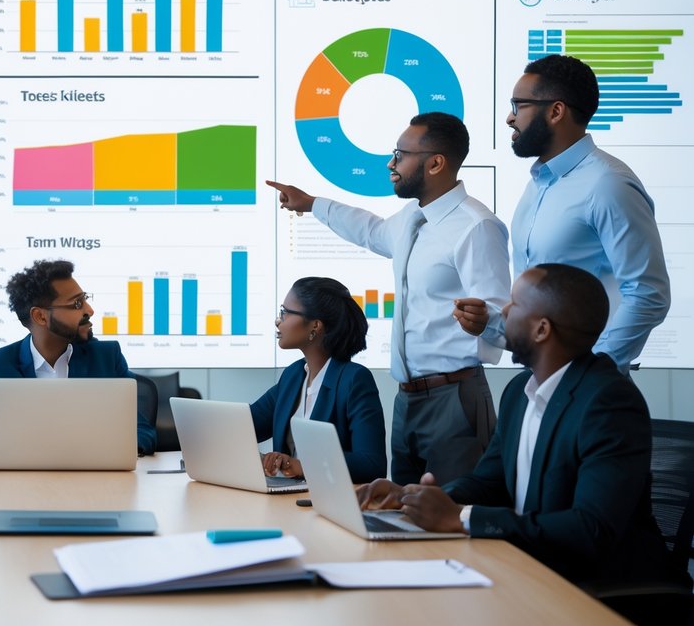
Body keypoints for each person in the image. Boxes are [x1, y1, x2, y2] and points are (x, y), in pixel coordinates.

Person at [358, 264, 683, 591]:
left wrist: (460, 518)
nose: (505, 311)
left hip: (600, 585)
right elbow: (489, 482)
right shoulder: (519, 392)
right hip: (526, 564)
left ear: (542, 329)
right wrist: (418, 498)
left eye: (515, 303)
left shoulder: (609, 403)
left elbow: (590, 530)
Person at [267, 112, 509, 485]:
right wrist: (312, 204)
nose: (390, 163)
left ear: (435, 163)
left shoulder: (476, 227)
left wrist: (486, 320)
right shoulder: (415, 216)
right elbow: (373, 231)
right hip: (407, 400)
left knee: (449, 520)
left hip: (454, 399)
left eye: (400, 154)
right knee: (402, 516)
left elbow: (503, 319)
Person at [454, 54, 670, 373]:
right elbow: (540, 311)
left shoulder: (608, 184)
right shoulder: (538, 186)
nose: (509, 119)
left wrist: (591, 372)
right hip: (537, 380)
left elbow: (648, 293)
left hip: (587, 394)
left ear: (556, 111)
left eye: (518, 106)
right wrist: (491, 323)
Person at [0, 259, 156, 459]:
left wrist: (116, 449)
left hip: (94, 479)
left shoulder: (106, 356)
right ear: (40, 317)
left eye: (85, 298)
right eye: (77, 303)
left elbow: (143, 431)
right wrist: (18, 453)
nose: (89, 310)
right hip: (21, 482)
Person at [251, 276, 386, 484]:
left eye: (285, 313)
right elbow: (249, 425)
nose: (279, 320)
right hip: (285, 499)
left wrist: (299, 465)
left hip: (329, 503)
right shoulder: (293, 376)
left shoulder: (354, 380)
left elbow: (372, 464)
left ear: (315, 326)